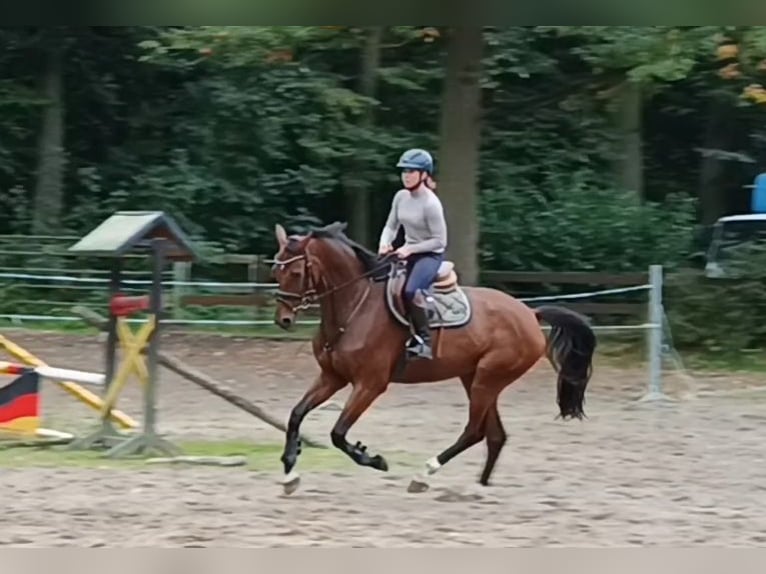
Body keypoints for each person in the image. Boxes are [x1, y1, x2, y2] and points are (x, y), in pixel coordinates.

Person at [378, 148, 448, 360]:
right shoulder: (400, 197)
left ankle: (424, 341)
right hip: (405, 253)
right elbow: (391, 225)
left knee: (410, 291)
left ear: (424, 174)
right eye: (404, 171)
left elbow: (440, 240)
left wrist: (410, 249)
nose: (406, 175)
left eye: (412, 171)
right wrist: (384, 243)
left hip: (429, 255)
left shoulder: (431, 204)